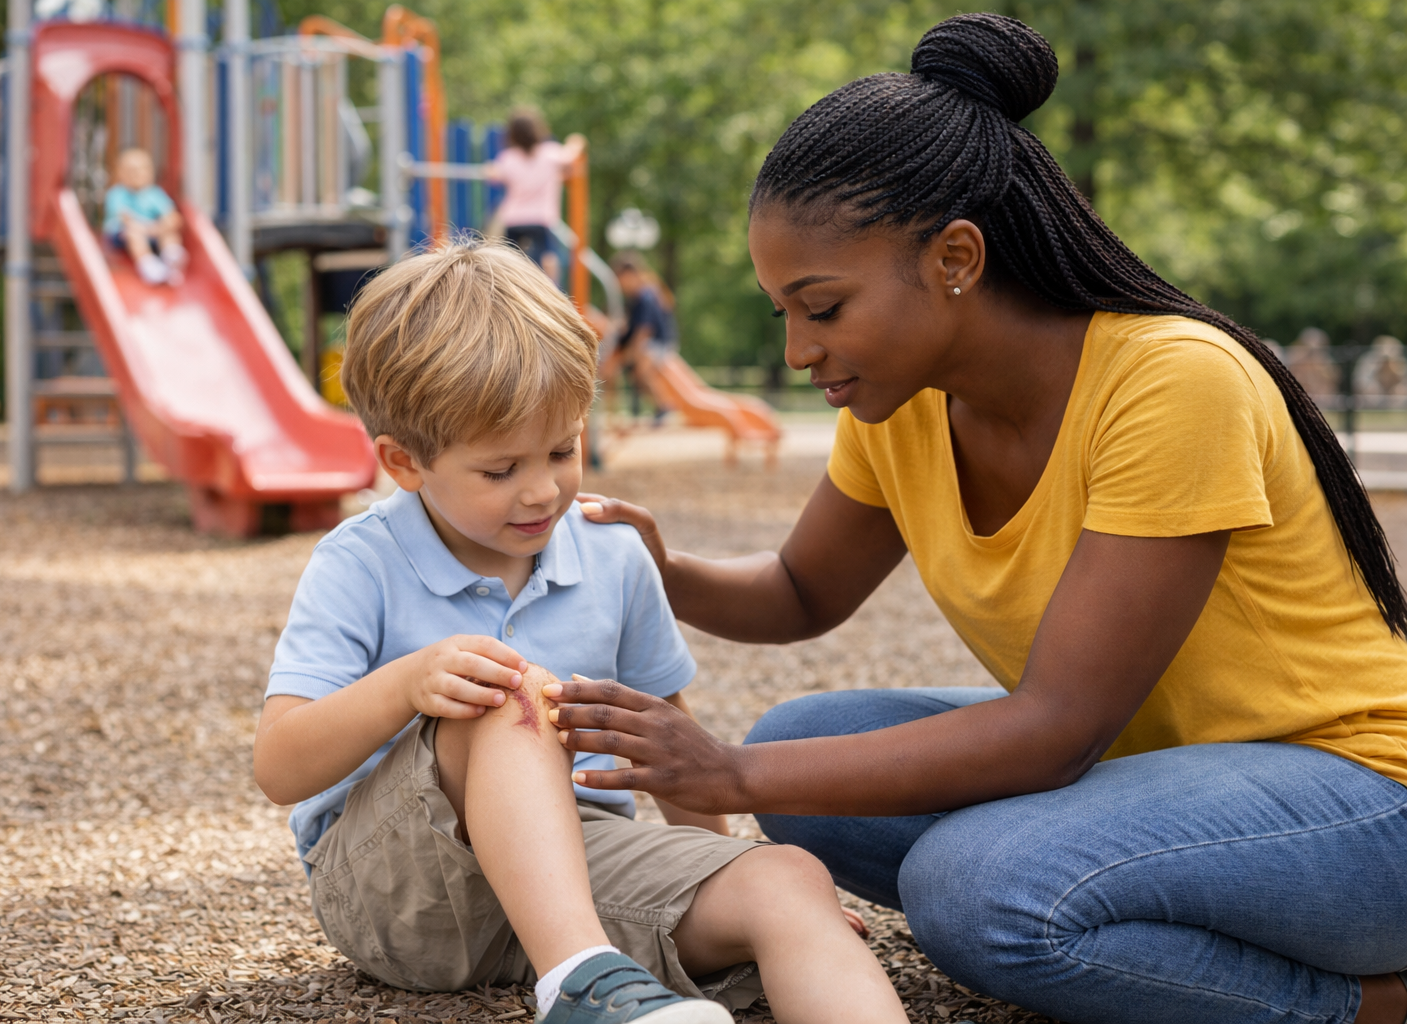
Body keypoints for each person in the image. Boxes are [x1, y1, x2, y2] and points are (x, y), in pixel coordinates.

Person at [551, 14, 1407, 1024]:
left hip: (1359, 798)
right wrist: (662, 564)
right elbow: (800, 591)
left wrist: (726, 768)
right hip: (1156, 776)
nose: (796, 351)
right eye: (783, 312)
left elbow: (1055, 730)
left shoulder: (1171, 381)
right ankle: (1103, 908)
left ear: (956, 255)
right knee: (804, 751)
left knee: (977, 888)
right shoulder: (902, 400)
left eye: (822, 308)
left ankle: (1362, 1002)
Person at [251, 241, 907, 1024]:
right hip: (401, 888)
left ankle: (600, 969)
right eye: (500, 471)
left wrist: (726, 867)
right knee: (509, 688)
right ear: (404, 463)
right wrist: (404, 685)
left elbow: (664, 742)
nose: (542, 490)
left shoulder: (611, 552)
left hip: (578, 870)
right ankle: (580, 987)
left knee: (788, 879)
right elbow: (281, 767)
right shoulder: (360, 562)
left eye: (563, 449)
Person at [486, 108, 584, 283]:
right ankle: (551, 292)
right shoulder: (550, 153)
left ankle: (511, 290)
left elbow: (493, 175)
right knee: (547, 260)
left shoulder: (508, 158)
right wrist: (576, 141)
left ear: (512, 135)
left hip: (514, 219)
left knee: (510, 263)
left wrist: (489, 169)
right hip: (540, 219)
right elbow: (571, 155)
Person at [604, 251, 678, 421]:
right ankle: (616, 413)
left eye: (620, 278)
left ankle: (664, 406)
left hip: (658, 344)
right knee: (624, 367)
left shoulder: (646, 296)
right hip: (651, 343)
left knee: (641, 369)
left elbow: (644, 331)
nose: (619, 284)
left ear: (630, 275)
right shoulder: (637, 298)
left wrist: (630, 355)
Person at [103, 147, 186, 286]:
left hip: (151, 231)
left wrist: (164, 225)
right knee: (133, 234)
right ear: (120, 174)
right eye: (131, 171)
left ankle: (171, 258)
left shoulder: (154, 193)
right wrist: (148, 229)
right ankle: (148, 265)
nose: (138, 174)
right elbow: (125, 220)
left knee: (169, 233)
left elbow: (172, 215)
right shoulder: (117, 194)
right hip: (122, 235)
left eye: (143, 169)